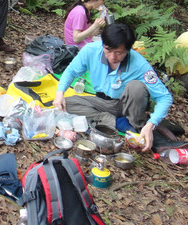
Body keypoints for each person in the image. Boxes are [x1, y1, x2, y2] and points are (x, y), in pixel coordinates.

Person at [53, 23, 173, 151]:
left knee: (136, 87)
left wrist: (151, 124)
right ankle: (117, 122)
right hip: (102, 101)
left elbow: (164, 97)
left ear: (128, 50)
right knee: (66, 105)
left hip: (126, 104)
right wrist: (60, 92)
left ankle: (136, 124)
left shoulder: (139, 64)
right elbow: (71, 71)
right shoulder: (90, 51)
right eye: (108, 50)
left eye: (119, 53)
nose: (112, 57)